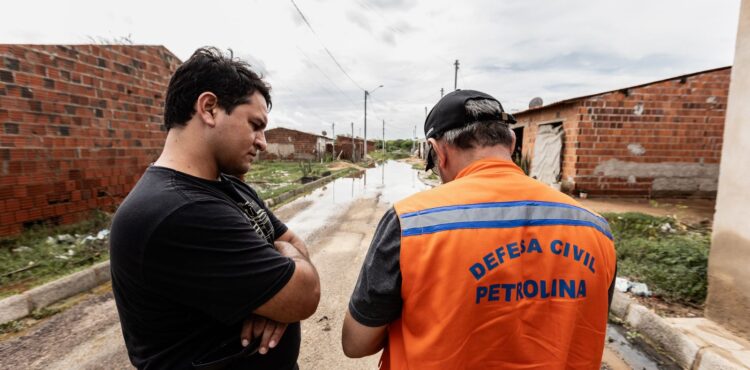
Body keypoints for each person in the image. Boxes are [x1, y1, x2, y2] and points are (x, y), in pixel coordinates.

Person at [342, 89, 616, 369]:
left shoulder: (411, 223)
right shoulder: (595, 228)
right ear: (510, 143)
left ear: (438, 151)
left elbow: (356, 343)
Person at [110, 47, 320, 369]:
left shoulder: (229, 187)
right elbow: (305, 292)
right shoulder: (178, 210)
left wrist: (279, 296)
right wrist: (282, 294)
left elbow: (295, 244)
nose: (262, 142)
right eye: (255, 125)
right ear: (209, 108)